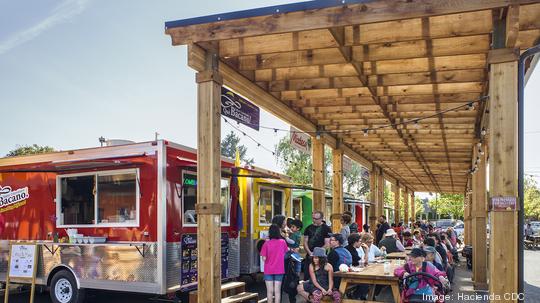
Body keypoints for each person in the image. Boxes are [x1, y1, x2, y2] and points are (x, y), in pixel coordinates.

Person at [260, 224, 289, 303]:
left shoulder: (266, 244)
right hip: (279, 269)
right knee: (277, 291)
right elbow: (286, 253)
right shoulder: (282, 242)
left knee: (269, 291)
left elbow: (264, 258)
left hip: (268, 270)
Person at [304, 211, 332, 277]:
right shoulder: (308, 228)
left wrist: (317, 253)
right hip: (310, 254)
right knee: (307, 275)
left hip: (321, 256)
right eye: (313, 218)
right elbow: (305, 242)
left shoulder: (326, 229)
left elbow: (327, 244)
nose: (314, 220)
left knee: (319, 275)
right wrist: (310, 253)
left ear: (321, 218)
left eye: (316, 219)